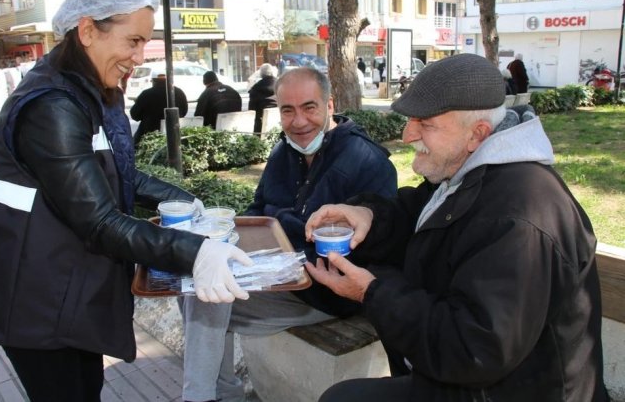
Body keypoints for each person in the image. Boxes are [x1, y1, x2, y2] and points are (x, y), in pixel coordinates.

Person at [0, 0, 252, 402]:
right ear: (88, 31)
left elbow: (118, 173)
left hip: (64, 284)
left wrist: (186, 201)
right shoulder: (53, 106)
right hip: (33, 299)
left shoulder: (88, 88)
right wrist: (196, 252)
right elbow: (99, 222)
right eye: (133, 41)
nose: (139, 56)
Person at [304, 53, 609, 402]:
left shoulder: (519, 217)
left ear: (477, 134)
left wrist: (371, 293)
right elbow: (421, 215)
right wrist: (367, 215)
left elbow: (476, 348)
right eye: (410, 120)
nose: (407, 135)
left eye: (425, 124)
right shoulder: (471, 171)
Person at [179, 67, 398, 402]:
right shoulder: (284, 152)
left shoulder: (368, 162)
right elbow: (257, 209)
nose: (299, 122)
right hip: (274, 276)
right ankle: (220, 394)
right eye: (287, 110)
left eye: (309, 108)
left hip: (325, 294)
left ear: (329, 105)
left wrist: (287, 251)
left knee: (205, 296)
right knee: (197, 284)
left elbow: (378, 248)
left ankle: (206, 397)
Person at [130, 71, 188, 146]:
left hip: (149, 135)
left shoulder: (146, 94)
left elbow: (134, 115)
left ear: (153, 81)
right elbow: (184, 111)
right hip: (174, 134)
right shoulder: (179, 92)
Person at [247, 63, 277, 134]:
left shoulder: (255, 88)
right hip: (280, 123)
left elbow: (251, 110)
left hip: (261, 127)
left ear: (261, 74)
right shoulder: (281, 85)